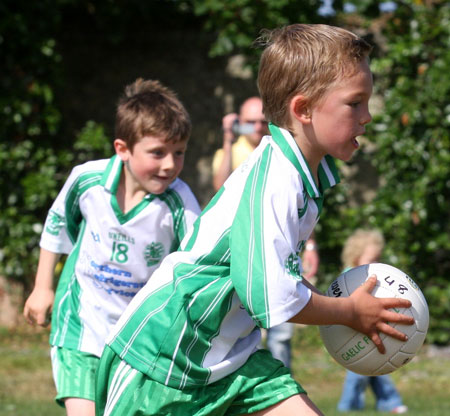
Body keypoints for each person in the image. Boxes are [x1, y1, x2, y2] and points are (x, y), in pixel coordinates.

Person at [95, 24, 414, 416]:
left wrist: (341, 306)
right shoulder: (276, 180)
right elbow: (273, 297)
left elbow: (279, 277)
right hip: (164, 358)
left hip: (233, 358)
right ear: (303, 109)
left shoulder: (301, 180)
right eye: (355, 103)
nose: (367, 117)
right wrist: (348, 312)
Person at [23, 78, 201, 416]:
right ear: (122, 149)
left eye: (179, 153)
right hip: (80, 326)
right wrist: (42, 287)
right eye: (157, 153)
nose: (169, 165)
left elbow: (196, 264)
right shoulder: (87, 180)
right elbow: (58, 222)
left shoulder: (180, 203)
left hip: (137, 338)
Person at [213, 96, 319, 368]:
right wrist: (227, 139)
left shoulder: (281, 155)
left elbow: (297, 211)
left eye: (263, 121)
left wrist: (309, 246)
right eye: (249, 123)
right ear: (239, 124)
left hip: (279, 249)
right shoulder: (233, 152)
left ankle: (282, 380)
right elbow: (219, 188)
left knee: (282, 331)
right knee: (249, 333)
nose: (257, 127)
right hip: (245, 254)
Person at [337, 229, 408, 414]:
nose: (376, 264)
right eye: (371, 260)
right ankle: (349, 405)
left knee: (379, 369)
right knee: (358, 374)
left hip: (374, 332)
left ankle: (388, 403)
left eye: (378, 259)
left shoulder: (376, 279)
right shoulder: (350, 279)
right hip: (357, 336)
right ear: (355, 258)